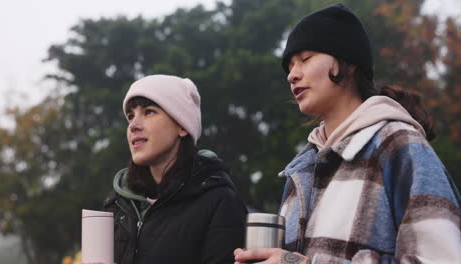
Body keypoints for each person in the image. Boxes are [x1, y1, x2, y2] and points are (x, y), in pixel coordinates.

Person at [234, 3, 460, 264]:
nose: (292, 75)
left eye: (305, 59)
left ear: (349, 63)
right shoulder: (299, 170)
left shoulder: (397, 144)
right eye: (290, 66)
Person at [102, 74, 247, 264]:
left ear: (182, 126)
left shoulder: (220, 203)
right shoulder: (117, 205)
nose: (133, 126)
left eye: (149, 112)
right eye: (130, 116)